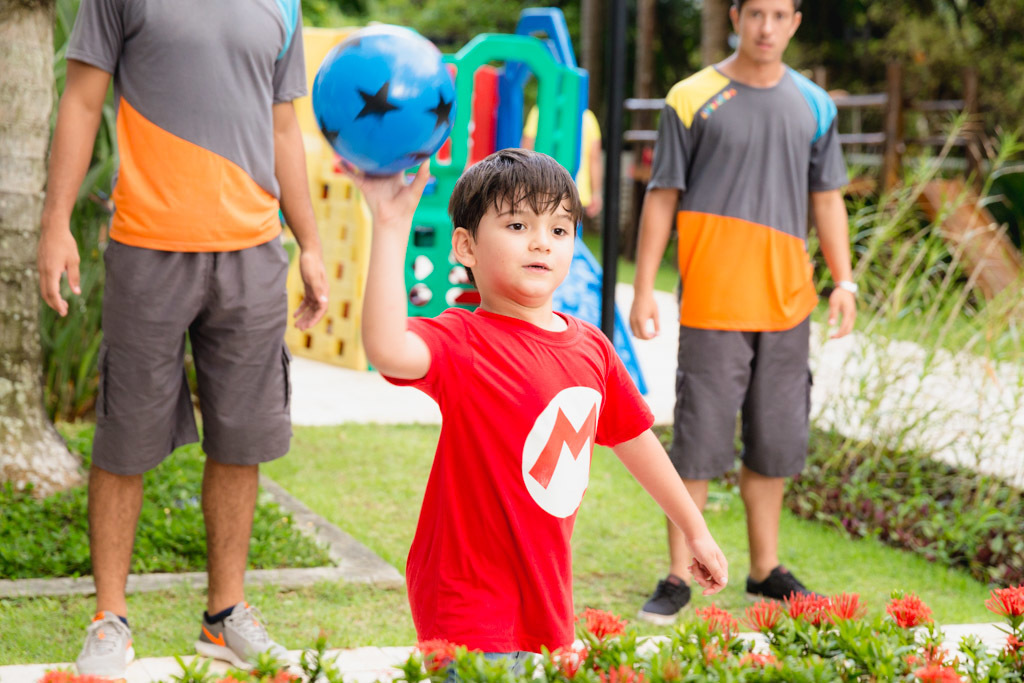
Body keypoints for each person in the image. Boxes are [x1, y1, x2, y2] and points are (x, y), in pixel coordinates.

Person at [36, 0, 328, 676]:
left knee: (242, 435)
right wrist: (56, 225)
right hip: (147, 245)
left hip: (254, 251)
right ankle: (109, 618)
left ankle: (225, 617)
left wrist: (310, 241)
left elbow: (284, 125)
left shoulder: (283, 3)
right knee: (125, 435)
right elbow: (81, 102)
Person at [353, 149, 727, 663]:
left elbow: (636, 440)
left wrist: (695, 529)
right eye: (516, 224)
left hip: (547, 600)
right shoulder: (464, 340)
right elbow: (387, 348)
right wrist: (392, 228)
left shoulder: (593, 348)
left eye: (558, 229)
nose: (540, 242)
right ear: (466, 246)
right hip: (466, 604)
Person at [629, 0, 856, 625]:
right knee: (698, 442)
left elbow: (827, 197)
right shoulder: (689, 97)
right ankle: (678, 575)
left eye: (780, 15)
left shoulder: (816, 105)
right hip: (712, 299)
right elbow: (662, 195)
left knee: (776, 440)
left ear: (797, 22)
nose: (766, 27)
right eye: (756, 13)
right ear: (735, 15)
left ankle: (764, 570)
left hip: (787, 304)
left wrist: (846, 281)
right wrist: (644, 288)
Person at [522, 107, 604, 221]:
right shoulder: (587, 117)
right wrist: (596, 193)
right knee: (569, 231)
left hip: (541, 188)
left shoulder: (540, 111)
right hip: (576, 190)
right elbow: (594, 158)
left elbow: (526, 150)